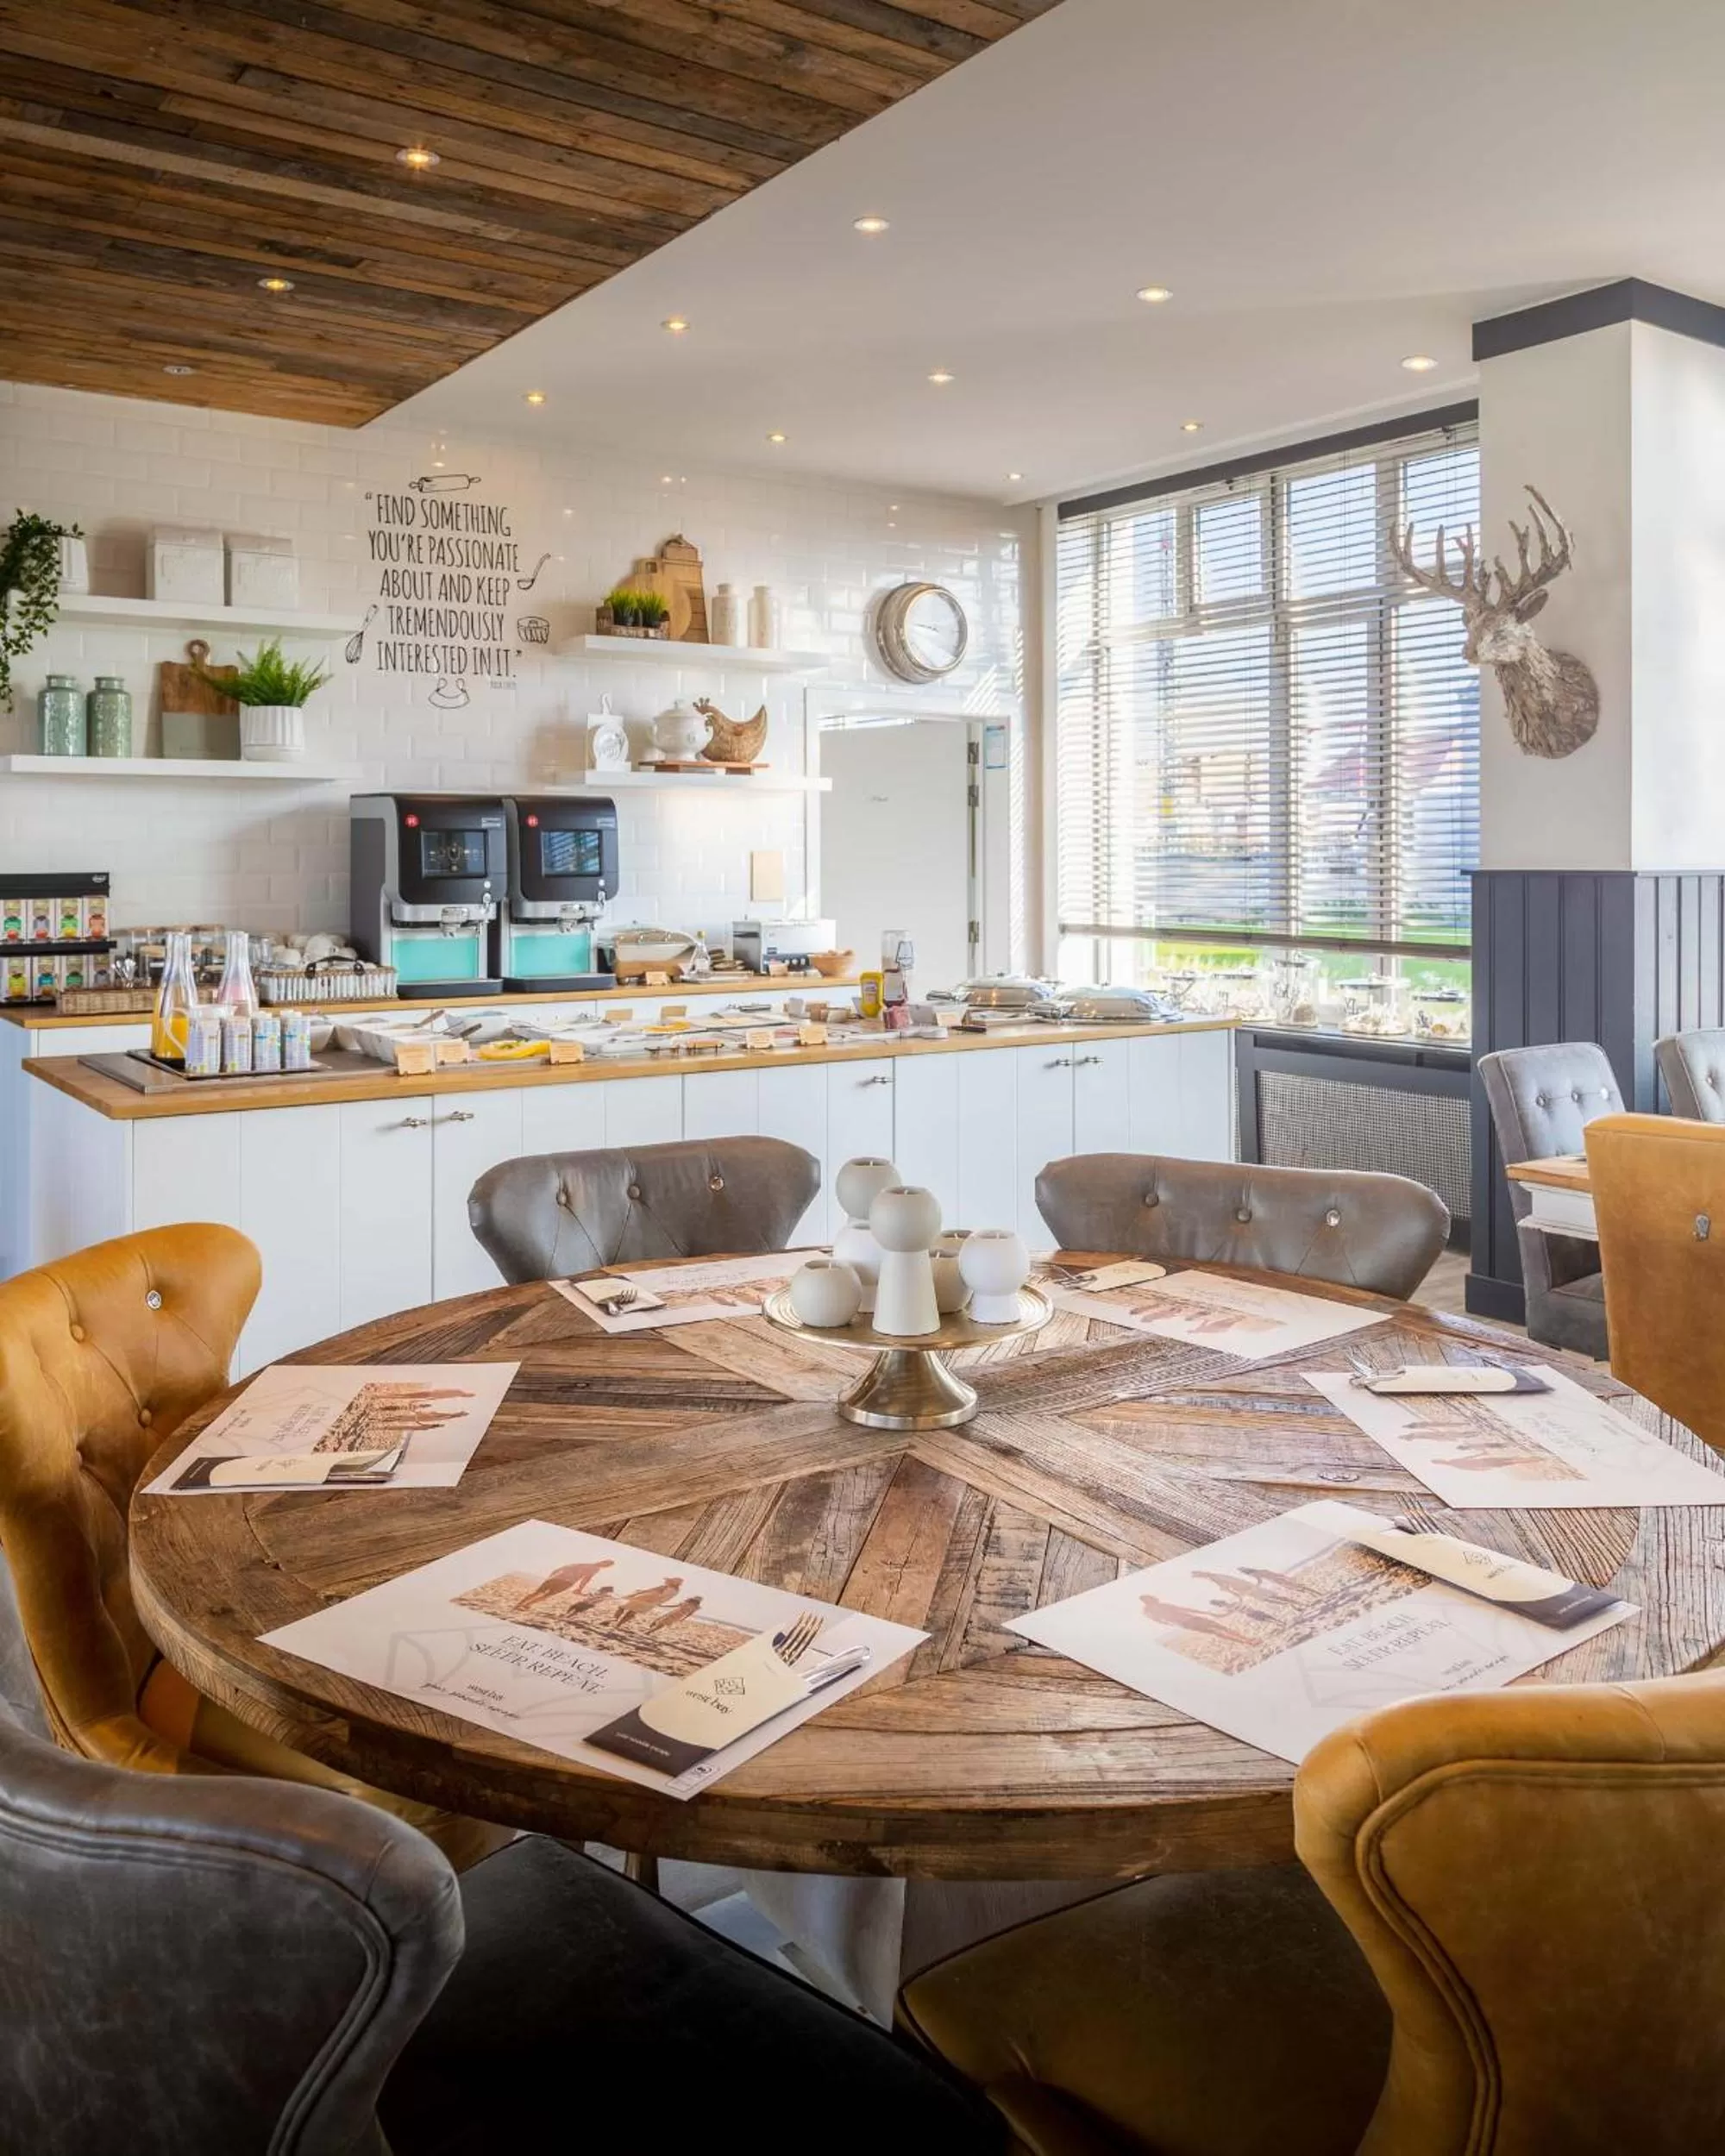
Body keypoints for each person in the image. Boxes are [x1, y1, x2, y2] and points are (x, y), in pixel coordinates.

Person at [1138, 1593, 1257, 1645]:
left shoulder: (1147, 1612)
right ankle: (1247, 1639)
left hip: (1185, 1624)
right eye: (1153, 1598)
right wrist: (1206, 1613)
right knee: (1220, 1628)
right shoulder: (1162, 1605)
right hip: (1191, 1619)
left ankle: (1245, 1642)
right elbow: (1185, 1609)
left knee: (1215, 1632)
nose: (1155, 1598)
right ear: (1151, 1599)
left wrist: (1173, 1623)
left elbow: (1159, 1621)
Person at [517, 1557, 614, 1611]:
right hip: (566, 1582)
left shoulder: (580, 1563)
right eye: (606, 1565)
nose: (604, 1566)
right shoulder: (595, 1569)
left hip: (555, 1578)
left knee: (537, 1592)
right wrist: (580, 1590)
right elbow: (586, 1579)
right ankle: (527, 1604)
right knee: (548, 1595)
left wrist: (551, 1577)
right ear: (605, 1566)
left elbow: (557, 1569)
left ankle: (520, 1604)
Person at [608, 1576, 686, 1629]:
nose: (666, 1582)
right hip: (651, 1603)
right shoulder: (675, 1591)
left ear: (673, 1582)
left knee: (622, 1608)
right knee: (632, 1613)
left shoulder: (666, 1588)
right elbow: (663, 1599)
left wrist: (637, 1594)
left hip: (646, 1599)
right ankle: (618, 1625)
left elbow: (651, 1591)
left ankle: (614, 1619)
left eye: (669, 1581)